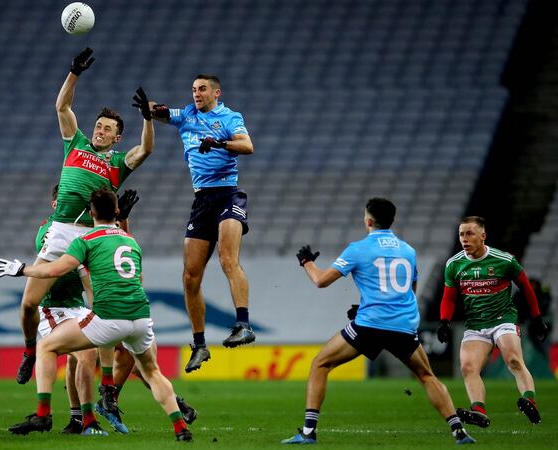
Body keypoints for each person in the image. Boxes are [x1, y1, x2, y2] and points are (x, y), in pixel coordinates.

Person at [0, 188, 192, 441]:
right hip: (141, 315)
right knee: (152, 370)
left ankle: (44, 412)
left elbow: (57, 268)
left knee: (47, 347)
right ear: (118, 212)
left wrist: (23, 270)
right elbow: (139, 278)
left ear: (90, 213)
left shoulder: (84, 240)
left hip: (108, 316)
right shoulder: (130, 241)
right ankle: (181, 429)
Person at [12, 47, 156, 384]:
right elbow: (62, 106)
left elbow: (146, 149)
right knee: (28, 305)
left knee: (101, 308)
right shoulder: (75, 144)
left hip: (94, 237)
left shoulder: (117, 164)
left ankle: (108, 383)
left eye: (108, 130)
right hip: (61, 231)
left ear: (117, 137)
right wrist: (74, 72)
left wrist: (148, 120)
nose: (101, 131)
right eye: (99, 126)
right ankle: (30, 350)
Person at [284, 198, 477, 445]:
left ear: (369, 221)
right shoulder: (408, 251)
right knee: (427, 376)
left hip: (370, 324)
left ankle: (309, 432)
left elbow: (321, 280)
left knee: (320, 364)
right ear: (392, 221)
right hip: (403, 326)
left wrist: (307, 262)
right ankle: (458, 431)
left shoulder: (358, 248)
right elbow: (410, 289)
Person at [150, 74, 255, 373]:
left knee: (227, 259)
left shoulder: (230, 117)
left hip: (228, 194)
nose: (196, 93)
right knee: (190, 277)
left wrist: (220, 143)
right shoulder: (186, 115)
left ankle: (243, 324)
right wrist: (149, 108)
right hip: (202, 201)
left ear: (216, 92)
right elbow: (160, 112)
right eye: (194, 89)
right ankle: (199, 344)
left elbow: (247, 146)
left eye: (202, 89)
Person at [0, 184, 100, 435]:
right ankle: (86, 420)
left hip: (76, 306)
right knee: (86, 353)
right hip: (53, 307)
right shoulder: (50, 230)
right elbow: (64, 265)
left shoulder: (81, 229)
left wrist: (96, 310)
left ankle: (77, 420)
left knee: (87, 356)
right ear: (57, 205)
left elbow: (88, 276)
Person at [437, 216, 548, 427]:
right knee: (468, 367)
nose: (464, 239)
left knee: (513, 359)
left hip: (503, 319)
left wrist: (536, 317)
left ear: (483, 236)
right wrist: (444, 322)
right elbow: (448, 297)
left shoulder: (504, 260)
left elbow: (526, 287)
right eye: (461, 234)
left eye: (469, 234)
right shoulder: (454, 264)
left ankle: (529, 400)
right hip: (475, 325)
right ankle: (479, 410)